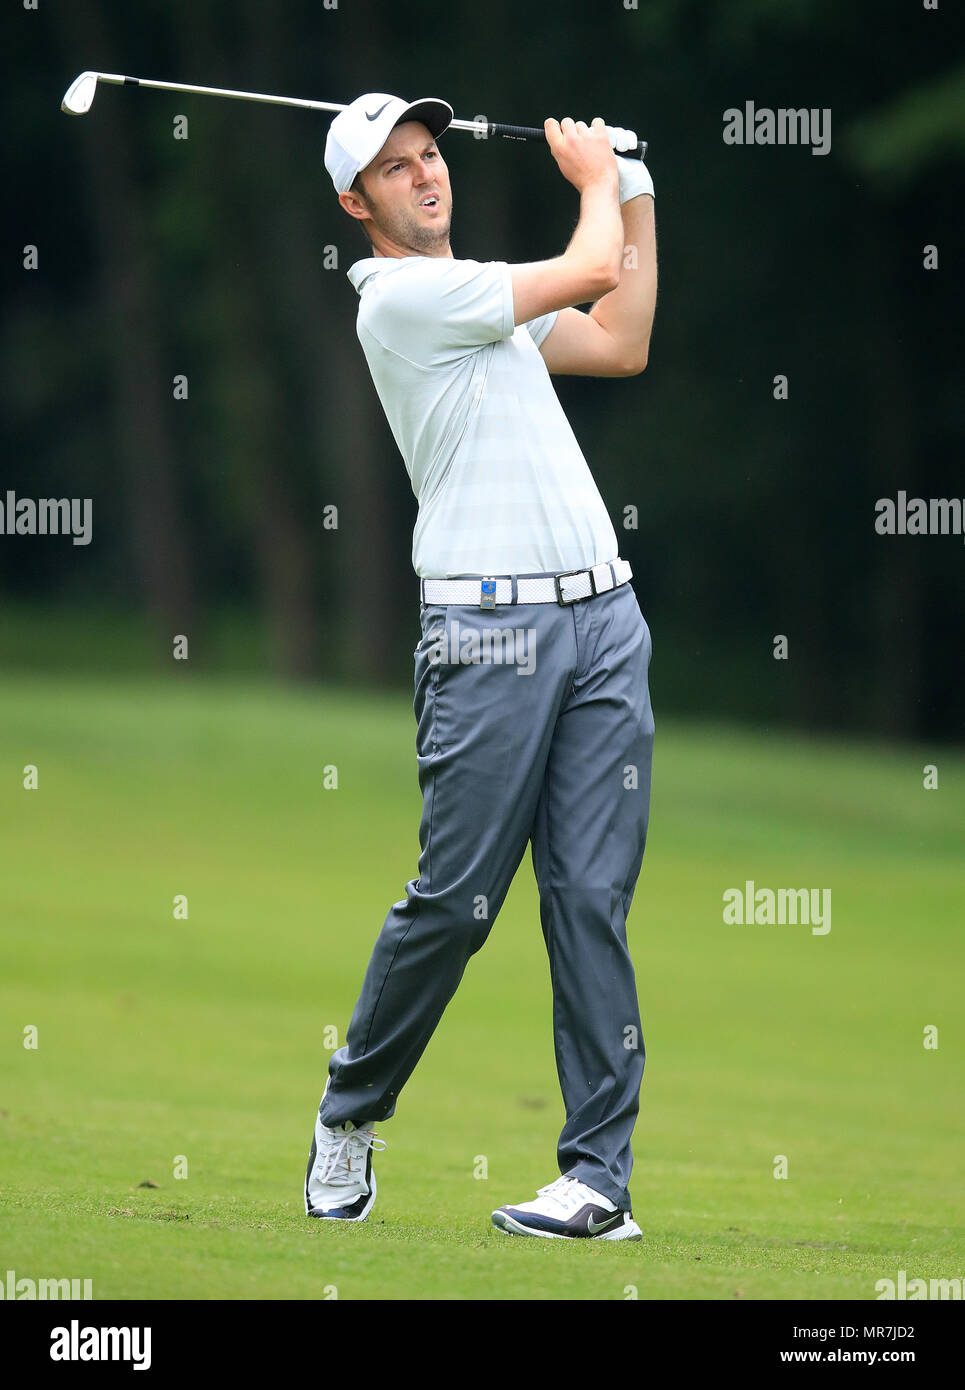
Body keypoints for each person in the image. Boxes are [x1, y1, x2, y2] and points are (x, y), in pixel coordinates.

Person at [305, 93, 657, 1240]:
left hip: (603, 617)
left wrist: (634, 190)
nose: (423, 176)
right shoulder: (402, 302)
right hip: (487, 633)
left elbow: (618, 337)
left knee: (590, 902)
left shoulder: (486, 306)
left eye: (428, 154)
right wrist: (595, 179)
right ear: (357, 205)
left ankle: (595, 1181)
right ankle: (350, 1107)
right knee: (456, 902)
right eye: (394, 170)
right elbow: (584, 266)